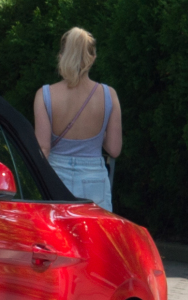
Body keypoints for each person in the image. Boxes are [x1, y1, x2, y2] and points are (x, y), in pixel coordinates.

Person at [33, 27, 123, 211]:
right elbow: (114, 149)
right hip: (95, 179)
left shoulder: (45, 95)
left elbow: (43, 148)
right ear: (92, 57)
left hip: (56, 177)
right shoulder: (109, 95)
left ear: (62, 56)